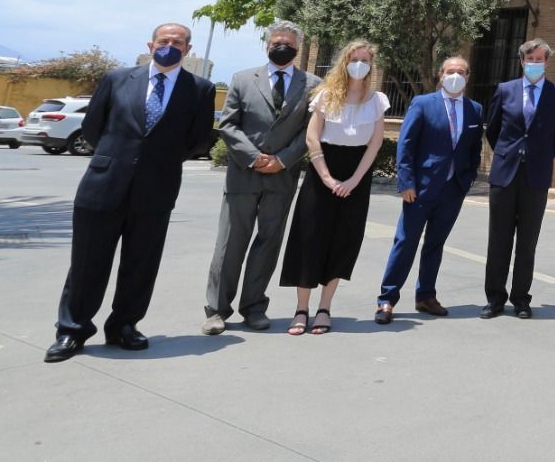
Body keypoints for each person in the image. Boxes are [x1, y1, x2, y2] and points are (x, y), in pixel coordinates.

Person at [46, 23, 217, 361]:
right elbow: (93, 127)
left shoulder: (200, 88)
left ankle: (124, 326)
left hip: (157, 188)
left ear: (189, 49)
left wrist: (157, 161)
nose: (170, 45)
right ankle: (72, 330)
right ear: (150, 44)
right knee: (86, 264)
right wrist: (117, 158)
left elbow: (198, 139)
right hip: (103, 185)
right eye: (164, 40)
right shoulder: (118, 78)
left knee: (141, 264)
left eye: (178, 42)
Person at [203, 20, 322, 334]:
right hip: (243, 175)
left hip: (282, 177)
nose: (281, 47)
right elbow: (228, 125)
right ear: (267, 45)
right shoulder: (242, 79)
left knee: (268, 244)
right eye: (276, 42)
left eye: (288, 43)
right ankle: (216, 310)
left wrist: (283, 160)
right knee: (230, 243)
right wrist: (254, 158)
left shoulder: (312, 83)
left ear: (297, 49)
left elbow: (310, 130)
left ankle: (254, 307)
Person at [278, 41, 389, 335]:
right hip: (321, 172)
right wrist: (327, 177)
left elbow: (375, 144)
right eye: (355, 59)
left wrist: (354, 180)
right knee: (309, 236)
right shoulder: (326, 95)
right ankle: (301, 309)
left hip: (357, 177)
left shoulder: (377, 101)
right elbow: (313, 138)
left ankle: (324, 308)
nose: (359, 64)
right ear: (345, 61)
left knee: (343, 240)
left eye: (365, 60)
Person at [374, 56, 484, 324]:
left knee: (435, 244)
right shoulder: (423, 103)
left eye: (460, 72)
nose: (455, 75)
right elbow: (406, 145)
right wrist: (406, 182)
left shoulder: (475, 109)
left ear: (468, 77)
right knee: (406, 242)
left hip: (452, 190)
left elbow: (474, 149)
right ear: (440, 75)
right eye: (450, 71)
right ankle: (387, 299)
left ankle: (426, 295)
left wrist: (466, 180)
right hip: (420, 188)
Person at [482, 38, 555, 319]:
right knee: (499, 239)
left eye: (540, 58)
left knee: (527, 242)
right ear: (522, 61)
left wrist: (538, 156)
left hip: (536, 176)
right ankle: (495, 298)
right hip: (505, 174)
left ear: (547, 61)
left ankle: (521, 298)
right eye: (530, 59)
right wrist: (510, 153)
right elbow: (493, 130)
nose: (535, 63)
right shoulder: (505, 90)